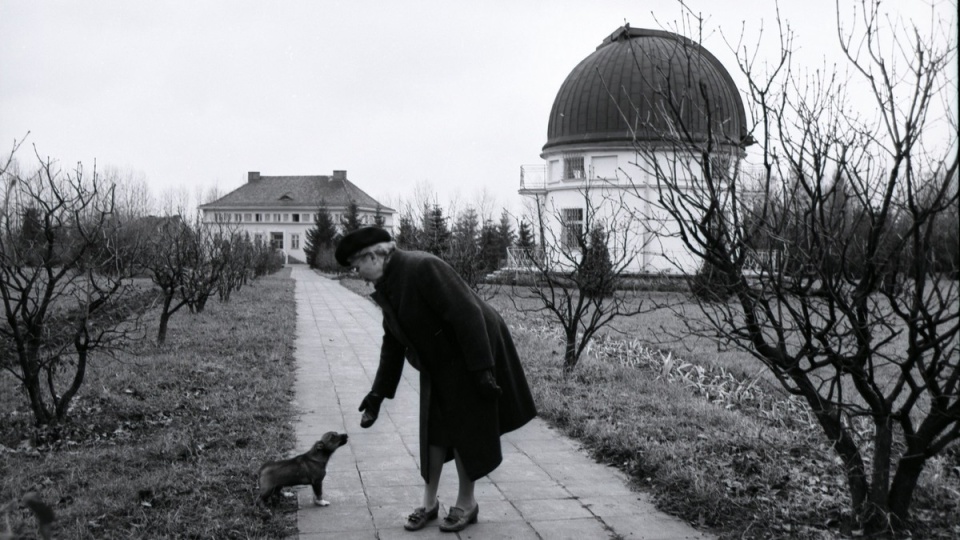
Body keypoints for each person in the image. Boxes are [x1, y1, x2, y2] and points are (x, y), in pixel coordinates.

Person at [335, 227, 537, 533]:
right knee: (432, 428)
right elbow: (393, 340)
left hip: (473, 348)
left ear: (373, 256)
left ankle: (466, 504)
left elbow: (467, 314)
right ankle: (429, 504)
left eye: (357, 266)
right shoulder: (388, 282)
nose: (358, 274)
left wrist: (482, 370)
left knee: (464, 427)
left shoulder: (422, 266)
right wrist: (378, 394)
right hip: (439, 358)